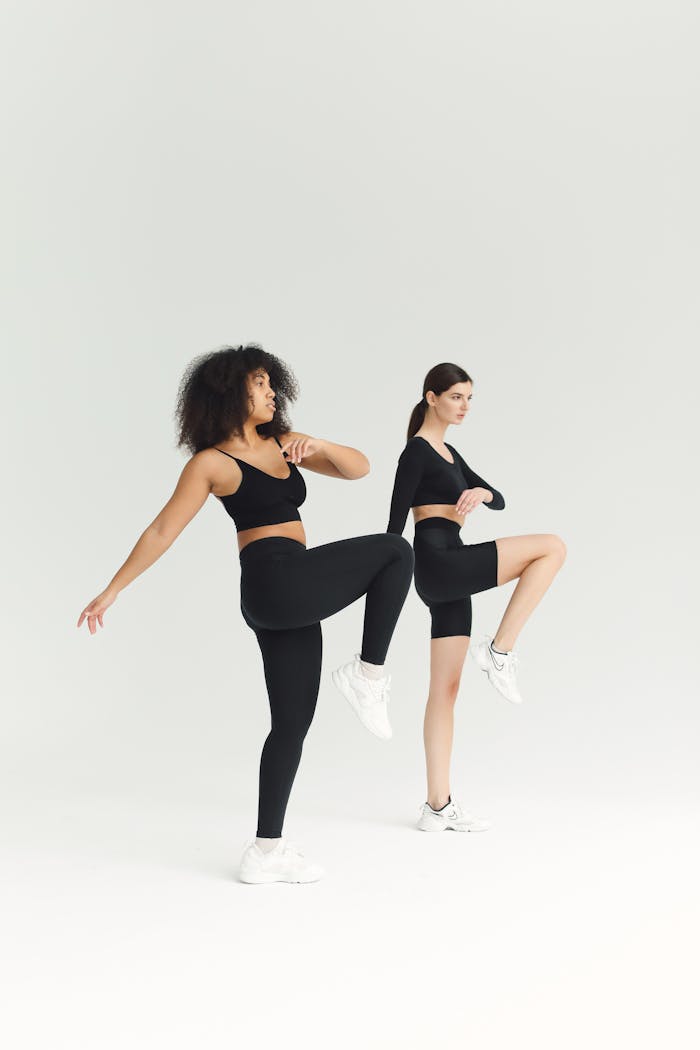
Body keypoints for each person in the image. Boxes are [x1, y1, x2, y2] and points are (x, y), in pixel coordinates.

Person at [78, 344, 414, 884]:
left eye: (271, 384)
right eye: (260, 385)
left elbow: (360, 470)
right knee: (395, 551)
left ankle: (266, 849)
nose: (271, 393)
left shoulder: (283, 443)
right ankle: (367, 673)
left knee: (291, 723)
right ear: (231, 392)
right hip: (273, 580)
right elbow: (163, 529)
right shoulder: (211, 462)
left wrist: (319, 443)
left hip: (293, 588)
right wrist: (113, 589)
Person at [386, 362, 566, 833]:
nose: (464, 406)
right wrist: (386, 584)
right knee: (552, 547)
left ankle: (437, 805)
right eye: (456, 397)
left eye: (469, 398)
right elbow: (392, 525)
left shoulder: (450, 454)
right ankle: (500, 649)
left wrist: (480, 492)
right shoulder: (418, 453)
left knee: (445, 692)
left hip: (452, 570)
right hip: (438, 561)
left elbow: (499, 497)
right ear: (431, 397)